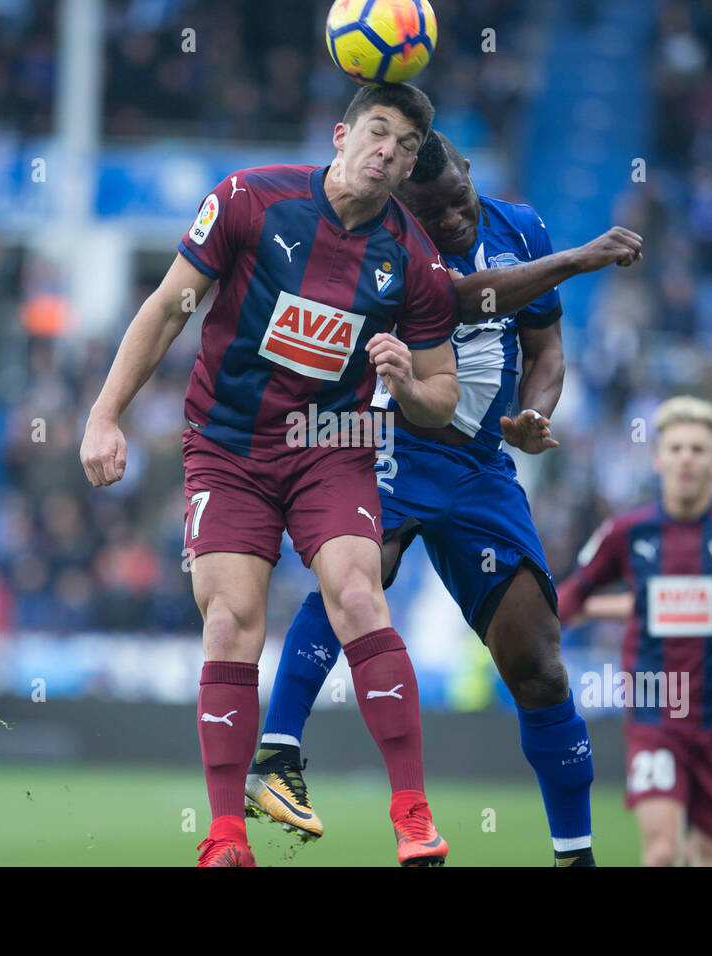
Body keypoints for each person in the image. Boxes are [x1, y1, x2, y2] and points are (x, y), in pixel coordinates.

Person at [80, 83, 461, 867]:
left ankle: (413, 815)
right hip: (227, 445)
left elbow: (442, 396)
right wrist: (103, 414)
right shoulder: (251, 200)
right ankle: (226, 837)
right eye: (378, 133)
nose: (389, 152)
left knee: (359, 592)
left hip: (331, 445)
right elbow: (165, 310)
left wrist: (409, 383)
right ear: (341, 135)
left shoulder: (414, 259)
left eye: (408, 148)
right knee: (230, 620)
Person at [244, 129, 644, 866]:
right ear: (404, 208)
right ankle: (277, 753)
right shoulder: (388, 242)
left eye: (459, 201)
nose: (454, 221)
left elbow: (547, 349)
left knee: (539, 665)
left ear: (468, 172)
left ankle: (575, 854)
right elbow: (465, 300)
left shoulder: (520, 226)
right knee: (367, 569)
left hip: (482, 468)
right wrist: (579, 260)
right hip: (390, 438)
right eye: (435, 215)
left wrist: (536, 411)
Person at [555, 396, 712, 866]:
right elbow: (568, 599)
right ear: (657, 458)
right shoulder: (626, 531)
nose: (686, 459)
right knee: (661, 854)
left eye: (697, 449)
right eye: (675, 448)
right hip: (656, 718)